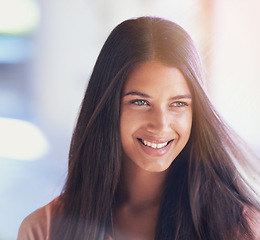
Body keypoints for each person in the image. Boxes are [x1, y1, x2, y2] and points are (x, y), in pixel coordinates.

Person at [17, 16, 260, 240]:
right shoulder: (44, 229)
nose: (161, 124)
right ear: (107, 107)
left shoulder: (240, 227)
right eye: (140, 102)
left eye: (178, 104)